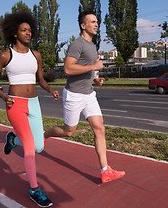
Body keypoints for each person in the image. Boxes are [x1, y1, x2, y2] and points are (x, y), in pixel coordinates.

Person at [44, 10, 125, 183]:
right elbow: (68, 69)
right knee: (69, 131)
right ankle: (44, 135)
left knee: (99, 128)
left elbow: (88, 66)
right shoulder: (77, 44)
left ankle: (105, 170)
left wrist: (95, 78)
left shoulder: (93, 45)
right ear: (83, 25)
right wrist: (93, 66)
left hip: (89, 95)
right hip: (74, 95)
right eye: (93, 22)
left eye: (97, 22)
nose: (96, 25)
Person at [0, 10, 59, 208]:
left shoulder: (36, 55)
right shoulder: (5, 55)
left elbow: (41, 80)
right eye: (24, 30)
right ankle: (34, 189)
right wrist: (4, 97)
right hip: (16, 104)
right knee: (29, 149)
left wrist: (50, 90)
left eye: (30, 30)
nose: (28, 33)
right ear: (14, 33)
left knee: (39, 147)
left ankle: (12, 139)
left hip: (34, 103)